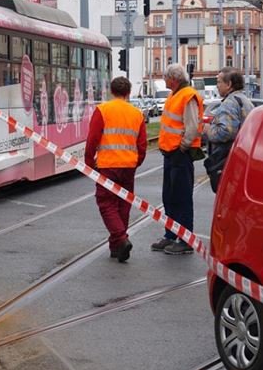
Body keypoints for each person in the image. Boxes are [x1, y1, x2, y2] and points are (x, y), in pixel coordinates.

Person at [85, 77, 147, 263]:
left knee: (106, 204)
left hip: (107, 166)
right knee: (123, 204)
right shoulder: (137, 114)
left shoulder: (103, 110)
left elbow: (92, 140)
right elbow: (142, 145)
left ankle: (121, 239)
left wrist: (88, 163)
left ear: (111, 91)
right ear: (128, 93)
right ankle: (116, 247)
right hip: (128, 166)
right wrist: (136, 162)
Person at [151, 64, 204, 255]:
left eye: (165, 77)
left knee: (181, 198)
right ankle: (171, 234)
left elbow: (192, 126)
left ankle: (185, 239)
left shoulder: (187, 95)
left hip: (179, 154)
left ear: (173, 78)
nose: (164, 81)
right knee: (170, 196)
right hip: (171, 153)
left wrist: (183, 146)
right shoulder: (175, 94)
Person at [203, 68, 254, 192]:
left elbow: (226, 132)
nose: (217, 85)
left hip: (228, 160)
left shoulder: (229, 103)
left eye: (219, 82)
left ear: (229, 84)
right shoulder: (244, 100)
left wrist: (208, 130)